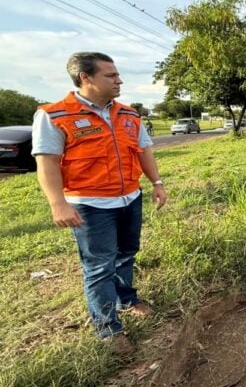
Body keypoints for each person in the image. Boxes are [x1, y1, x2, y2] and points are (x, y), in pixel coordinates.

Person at [32, 52, 168, 352]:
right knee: (99, 266)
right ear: (85, 77)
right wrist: (58, 203)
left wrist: (156, 184)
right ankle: (108, 329)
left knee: (127, 253)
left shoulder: (129, 114)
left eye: (118, 74)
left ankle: (126, 300)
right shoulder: (55, 115)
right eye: (111, 75)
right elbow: (48, 163)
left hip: (130, 198)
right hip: (90, 205)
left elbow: (144, 151)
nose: (119, 80)